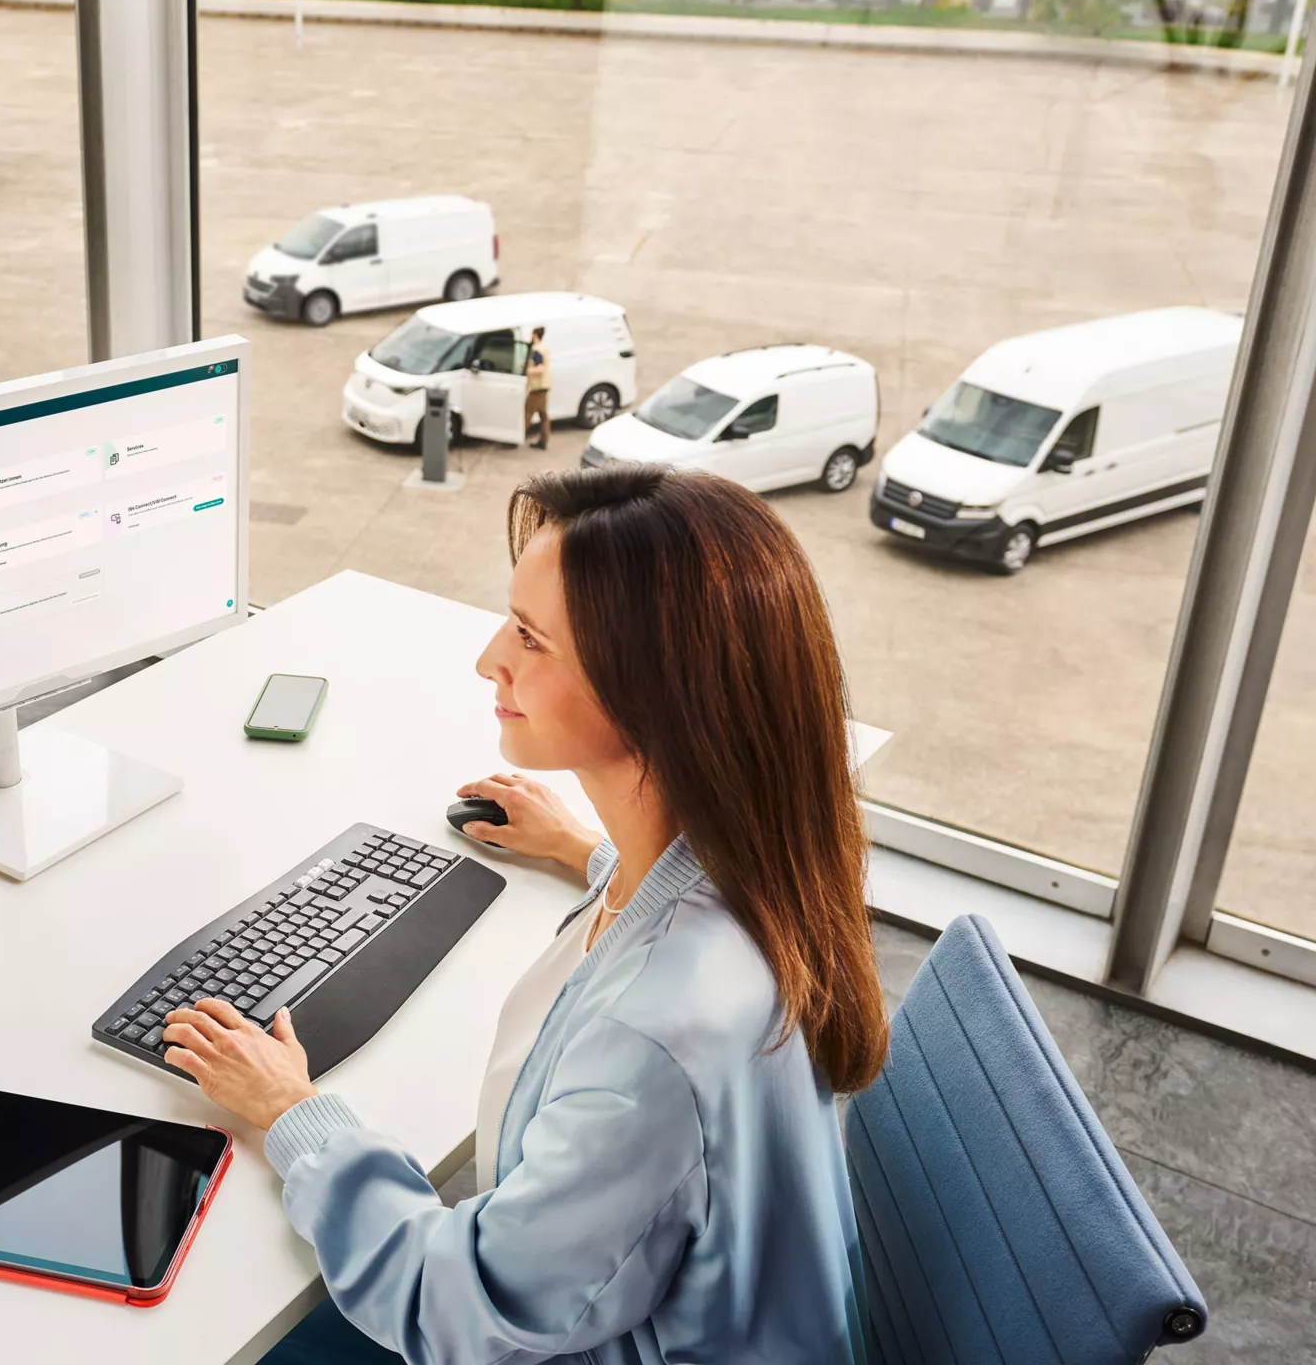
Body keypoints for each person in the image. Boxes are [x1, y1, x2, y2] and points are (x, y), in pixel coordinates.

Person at [163, 464, 888, 1365]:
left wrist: (294, 1114)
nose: (489, 660)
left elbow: (459, 1310)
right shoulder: (771, 865)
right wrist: (589, 851)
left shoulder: (654, 1038)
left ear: (652, 692)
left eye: (532, 640)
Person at [523, 326, 550, 449]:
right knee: (543, 415)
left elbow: (540, 369)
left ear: (534, 335)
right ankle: (544, 440)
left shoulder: (536, 350)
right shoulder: (543, 348)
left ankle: (516, 437)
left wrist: (526, 370)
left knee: (526, 414)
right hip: (544, 386)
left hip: (537, 388)